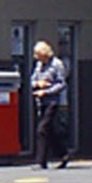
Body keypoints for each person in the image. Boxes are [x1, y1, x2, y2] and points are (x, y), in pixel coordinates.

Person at [30, 40, 72, 169]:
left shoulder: (57, 65)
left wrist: (46, 91)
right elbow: (32, 79)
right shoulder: (39, 65)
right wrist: (38, 84)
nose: (36, 58)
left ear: (45, 54)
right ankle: (63, 154)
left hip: (53, 102)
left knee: (42, 130)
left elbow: (62, 84)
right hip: (41, 102)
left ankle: (41, 161)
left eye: (38, 55)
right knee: (50, 131)